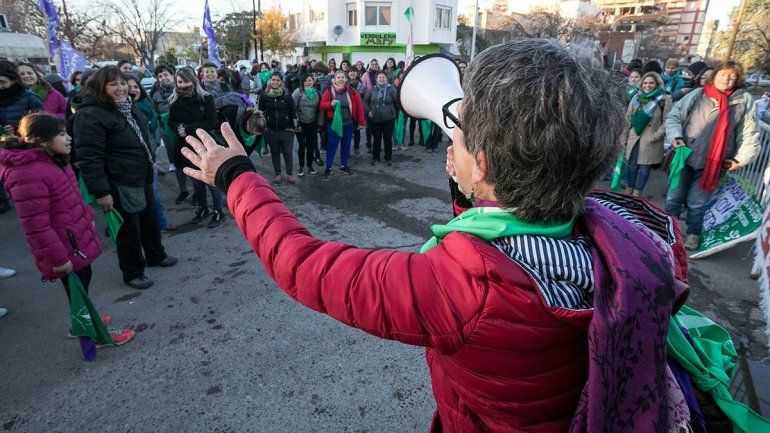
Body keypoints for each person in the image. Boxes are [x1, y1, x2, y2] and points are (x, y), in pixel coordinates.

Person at [181, 39, 690, 433]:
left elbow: (301, 264)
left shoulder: (460, 290)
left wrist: (236, 177)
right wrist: (473, 185)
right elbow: (508, 222)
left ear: (485, 163)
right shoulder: (630, 231)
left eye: (461, 133)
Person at [0, 113, 135, 345]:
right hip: (63, 247)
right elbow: (35, 225)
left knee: (82, 284)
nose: (69, 138)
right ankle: (96, 336)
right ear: (42, 140)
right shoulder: (26, 173)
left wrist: (87, 217)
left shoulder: (54, 160)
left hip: (73, 238)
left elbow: (71, 199)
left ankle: (82, 321)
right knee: (77, 287)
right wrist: (58, 258)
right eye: (62, 134)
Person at [73, 66, 176, 290]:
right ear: (100, 87)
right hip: (119, 181)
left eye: (122, 83)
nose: (120, 88)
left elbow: (142, 139)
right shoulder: (90, 114)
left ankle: (155, 255)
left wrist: (151, 164)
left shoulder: (128, 106)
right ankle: (132, 272)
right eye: (113, 84)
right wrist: (102, 191)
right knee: (128, 230)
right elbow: (90, 157)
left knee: (150, 220)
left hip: (141, 175)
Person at [665, 61, 759, 250]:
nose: (726, 79)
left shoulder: (743, 101)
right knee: (673, 197)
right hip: (685, 155)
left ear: (737, 79)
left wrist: (740, 159)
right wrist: (676, 136)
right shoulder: (698, 94)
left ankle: (693, 234)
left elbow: (749, 133)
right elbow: (675, 116)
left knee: (697, 202)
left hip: (714, 163)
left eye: (732, 76)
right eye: (723, 75)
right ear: (714, 76)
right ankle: (665, 231)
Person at [168, 67, 225, 228]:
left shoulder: (205, 98)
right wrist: (177, 127)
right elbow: (170, 121)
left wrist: (187, 129)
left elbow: (212, 122)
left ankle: (218, 211)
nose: (183, 84)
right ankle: (203, 208)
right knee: (196, 181)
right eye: (180, 81)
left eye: (186, 80)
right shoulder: (174, 100)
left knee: (210, 180)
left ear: (193, 80)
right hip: (185, 146)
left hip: (204, 144)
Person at [127, 75, 175, 232]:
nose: (133, 90)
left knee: (152, 195)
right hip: (133, 161)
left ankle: (160, 223)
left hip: (150, 156)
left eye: (135, 86)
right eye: (129, 87)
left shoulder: (146, 106)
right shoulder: (126, 110)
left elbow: (155, 131)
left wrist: (152, 148)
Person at [0, 60, 43, 214]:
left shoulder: (29, 97)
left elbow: (43, 124)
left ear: (13, 80)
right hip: (6, 150)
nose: (0, 86)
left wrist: (20, 129)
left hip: (28, 150)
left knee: (31, 189)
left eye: (2, 82)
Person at [623, 72, 671, 196]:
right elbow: (628, 118)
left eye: (651, 83)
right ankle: (629, 189)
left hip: (650, 139)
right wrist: (624, 137)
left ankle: (637, 192)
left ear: (657, 84)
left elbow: (667, 120)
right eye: (645, 83)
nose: (647, 86)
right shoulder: (636, 97)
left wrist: (656, 136)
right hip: (634, 137)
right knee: (631, 166)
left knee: (644, 168)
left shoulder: (664, 98)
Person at [319, 70, 365, 180]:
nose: (340, 79)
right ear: (334, 79)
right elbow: (321, 104)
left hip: (349, 124)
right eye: (338, 77)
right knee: (332, 146)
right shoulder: (329, 91)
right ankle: (328, 168)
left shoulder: (352, 92)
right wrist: (330, 104)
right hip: (334, 124)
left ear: (346, 79)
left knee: (346, 146)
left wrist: (361, 122)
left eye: (342, 77)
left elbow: (359, 108)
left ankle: (343, 166)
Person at [258, 73, 297, 184]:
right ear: (270, 81)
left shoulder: (286, 94)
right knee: (275, 153)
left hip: (287, 129)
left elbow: (293, 111)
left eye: (278, 80)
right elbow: (261, 112)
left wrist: (294, 126)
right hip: (271, 129)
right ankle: (278, 174)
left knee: (287, 152)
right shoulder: (264, 95)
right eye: (273, 80)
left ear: (281, 82)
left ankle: (289, 174)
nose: (275, 82)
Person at [363, 71, 397, 166]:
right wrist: (368, 111)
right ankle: (375, 157)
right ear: (376, 79)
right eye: (379, 77)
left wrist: (394, 112)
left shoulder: (392, 89)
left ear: (386, 79)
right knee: (376, 139)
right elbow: (365, 101)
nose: (381, 79)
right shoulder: (371, 90)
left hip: (388, 119)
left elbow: (397, 101)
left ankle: (388, 158)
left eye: (383, 77)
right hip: (375, 119)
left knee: (387, 139)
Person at [292, 74, 322, 176]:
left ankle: (309, 166)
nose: (308, 82)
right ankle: (301, 167)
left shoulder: (317, 92)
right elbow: (292, 107)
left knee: (311, 145)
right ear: (302, 82)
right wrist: (297, 123)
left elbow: (320, 109)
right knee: (302, 145)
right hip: (300, 124)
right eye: (306, 81)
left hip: (312, 123)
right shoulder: (298, 92)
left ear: (313, 81)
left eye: (310, 80)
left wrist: (319, 123)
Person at [347, 69, 366, 159]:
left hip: (357, 110)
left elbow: (365, 97)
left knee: (357, 132)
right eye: (351, 71)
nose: (352, 73)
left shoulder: (362, 84)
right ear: (348, 73)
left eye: (354, 71)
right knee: (346, 133)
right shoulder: (344, 83)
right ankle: (346, 150)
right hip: (347, 111)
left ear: (357, 73)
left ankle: (356, 148)